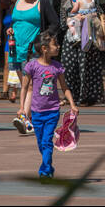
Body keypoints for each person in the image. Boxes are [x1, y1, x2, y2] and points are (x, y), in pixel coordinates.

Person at [20, 29, 76, 180]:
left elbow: (65, 87)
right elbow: (25, 87)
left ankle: (44, 172)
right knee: (41, 143)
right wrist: (21, 108)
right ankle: (49, 166)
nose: (58, 46)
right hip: (36, 112)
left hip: (52, 111)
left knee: (47, 141)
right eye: (55, 44)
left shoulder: (57, 67)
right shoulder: (32, 66)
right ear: (44, 49)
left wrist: (72, 104)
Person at [9, 0, 59, 134]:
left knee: (30, 85)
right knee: (22, 83)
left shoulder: (42, 3)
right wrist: (9, 30)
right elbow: (14, 22)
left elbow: (55, 23)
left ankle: (25, 116)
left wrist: (42, 39)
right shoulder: (17, 3)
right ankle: (28, 117)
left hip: (33, 51)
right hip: (16, 49)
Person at [65, 0, 105, 106]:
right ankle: (90, 95)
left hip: (82, 30)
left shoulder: (79, 1)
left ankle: (80, 95)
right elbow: (97, 13)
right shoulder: (93, 1)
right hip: (92, 29)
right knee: (90, 65)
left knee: (82, 65)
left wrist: (75, 15)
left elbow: (72, 13)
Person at [57, 0, 83, 97]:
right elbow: (62, 22)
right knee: (68, 66)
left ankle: (83, 96)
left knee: (83, 67)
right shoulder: (65, 1)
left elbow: (96, 13)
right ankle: (70, 95)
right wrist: (72, 19)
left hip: (85, 35)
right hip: (70, 37)